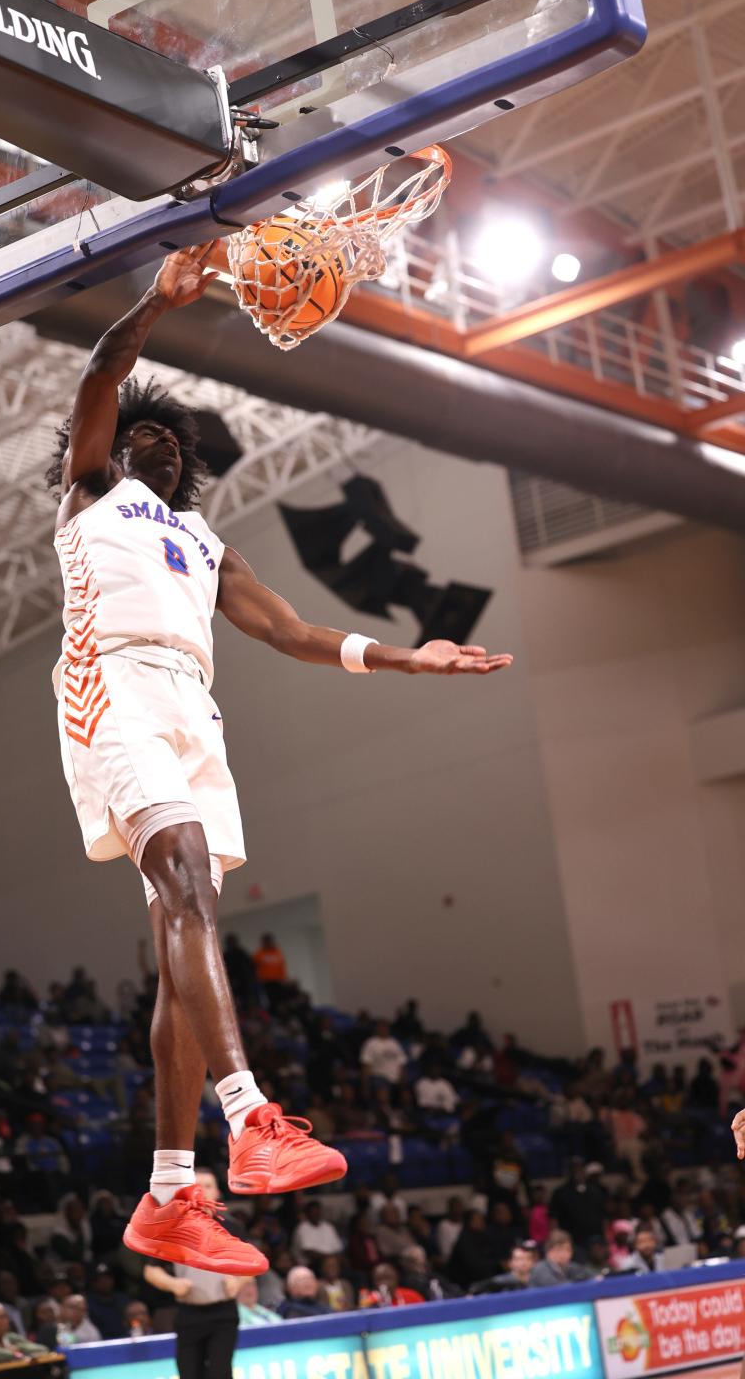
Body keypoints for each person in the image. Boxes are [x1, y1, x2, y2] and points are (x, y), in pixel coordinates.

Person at [47, 245, 512, 1273]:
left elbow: (294, 631)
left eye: (176, 439)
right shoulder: (90, 498)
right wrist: (151, 309)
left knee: (184, 944)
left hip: (194, 716)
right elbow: (98, 381)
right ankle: (249, 1117)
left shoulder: (211, 547)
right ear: (121, 452)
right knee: (186, 897)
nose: (162, 444)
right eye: (147, 435)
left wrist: (409, 659)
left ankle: (170, 1195)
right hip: (113, 686)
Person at [142, 1171, 241, 1379]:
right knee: (189, 1373)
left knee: (219, 1373)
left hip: (223, 1313)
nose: (202, 1190)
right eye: (197, 1185)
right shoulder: (174, 1228)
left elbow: (254, 1264)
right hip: (189, 1314)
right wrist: (172, 1283)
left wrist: (238, 1280)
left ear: (218, 1192)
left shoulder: (231, 1227)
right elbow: (151, 1270)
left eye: (208, 1185)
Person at [529, 1231, 594, 1287]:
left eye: (568, 1250)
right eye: (560, 1249)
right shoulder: (540, 1269)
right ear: (549, 1251)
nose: (565, 1253)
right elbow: (559, 1289)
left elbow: (593, 1278)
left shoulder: (572, 1267)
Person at [471, 1243, 536, 1295]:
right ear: (510, 1263)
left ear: (534, 1261)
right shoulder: (498, 1282)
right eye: (518, 1259)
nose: (523, 1262)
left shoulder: (539, 1280)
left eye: (527, 1258)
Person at [292, 1201, 342, 1266]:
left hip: (332, 1264)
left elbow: (338, 1249)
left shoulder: (329, 1227)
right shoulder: (302, 1228)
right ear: (307, 1213)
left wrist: (333, 1259)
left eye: (317, 1211)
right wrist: (328, 1258)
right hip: (310, 1265)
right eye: (313, 1211)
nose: (316, 1214)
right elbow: (309, 1253)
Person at [358, 1262, 423, 1309]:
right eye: (380, 1279)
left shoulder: (412, 1295)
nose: (385, 1283)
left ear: (396, 1278)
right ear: (374, 1282)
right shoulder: (369, 1301)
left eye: (388, 1278)